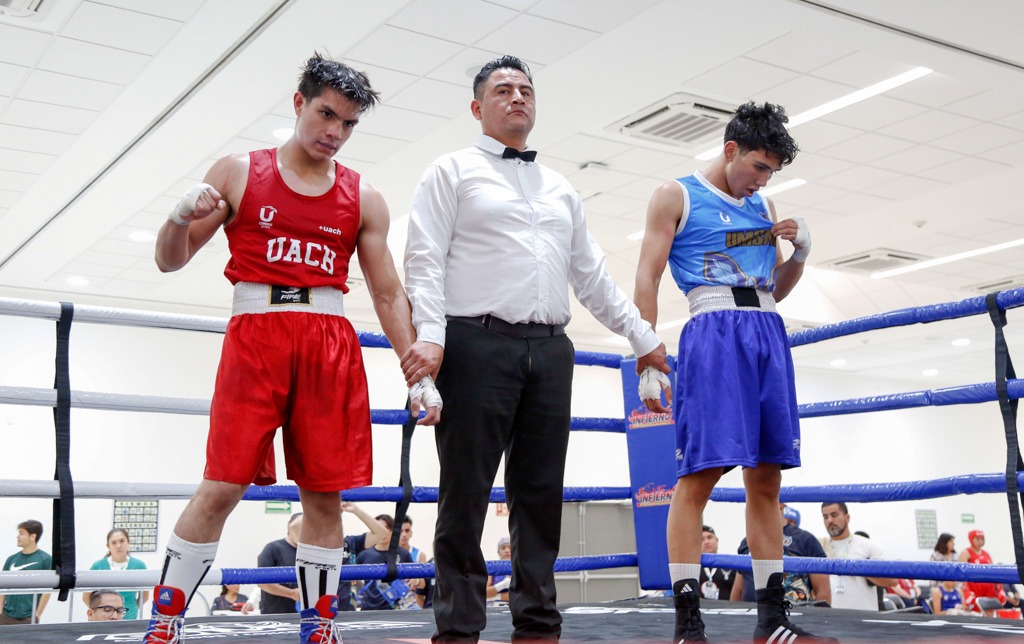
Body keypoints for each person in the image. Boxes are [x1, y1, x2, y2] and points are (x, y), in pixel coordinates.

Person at [143, 53, 440, 644]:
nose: (335, 132)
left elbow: (386, 293)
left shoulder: (364, 197)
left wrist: (416, 374)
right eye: (328, 114)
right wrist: (178, 218)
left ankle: (318, 628)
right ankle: (165, 622)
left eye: (349, 123)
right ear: (299, 103)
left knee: (324, 495)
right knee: (222, 484)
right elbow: (168, 260)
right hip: (256, 333)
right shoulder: (238, 171)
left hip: (329, 341)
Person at [401, 55, 668, 643]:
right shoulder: (450, 171)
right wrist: (432, 336)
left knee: (541, 490)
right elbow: (423, 260)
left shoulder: (559, 187)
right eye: (503, 90)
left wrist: (643, 339)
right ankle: (460, 625)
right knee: (465, 492)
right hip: (475, 342)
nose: (517, 97)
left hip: (550, 349)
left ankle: (539, 618)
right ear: (478, 107)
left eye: (526, 89)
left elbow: (592, 275)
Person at [633, 101, 831, 643]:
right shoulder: (676, 194)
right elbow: (647, 277)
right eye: (758, 167)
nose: (763, 180)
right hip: (713, 334)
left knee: (767, 478)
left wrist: (800, 256)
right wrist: (647, 357)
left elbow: (769, 289)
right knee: (698, 476)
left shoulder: (763, 205)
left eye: (771, 171)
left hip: (767, 333)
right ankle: (687, 623)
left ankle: (771, 620)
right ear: (730, 150)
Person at [730, 505, 831, 607]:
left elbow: (823, 592)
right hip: (750, 615)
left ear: (781, 505)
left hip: (794, 615)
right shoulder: (747, 541)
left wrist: (819, 620)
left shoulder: (805, 539)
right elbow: (738, 590)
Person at [819, 502, 897, 611]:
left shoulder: (867, 545)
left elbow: (892, 581)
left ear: (847, 517)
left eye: (834, 515)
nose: (830, 520)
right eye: (825, 517)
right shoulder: (818, 545)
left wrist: (860, 568)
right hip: (829, 619)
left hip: (864, 619)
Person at [354, 515, 419, 610]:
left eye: (386, 528)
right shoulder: (364, 555)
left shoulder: (403, 553)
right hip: (368, 610)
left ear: (393, 531)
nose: (381, 531)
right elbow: (352, 581)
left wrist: (416, 581)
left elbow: (418, 578)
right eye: (377, 528)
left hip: (395, 610)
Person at [84, 529, 149, 620]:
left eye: (122, 541)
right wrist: (98, 612)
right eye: (114, 543)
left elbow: (145, 595)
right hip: (104, 619)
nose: (118, 546)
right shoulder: (98, 566)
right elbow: (86, 596)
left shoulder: (139, 565)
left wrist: (133, 608)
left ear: (128, 542)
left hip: (129, 617)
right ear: (108, 546)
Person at [338, 502, 391, 611]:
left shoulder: (349, 543)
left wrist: (356, 510)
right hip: (322, 610)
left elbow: (381, 532)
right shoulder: (315, 543)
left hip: (347, 611)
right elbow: (294, 526)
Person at [0, 519, 52, 625]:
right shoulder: (11, 559)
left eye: (21, 533)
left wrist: (37, 615)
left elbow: (47, 591)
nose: (18, 536)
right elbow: (3, 587)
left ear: (33, 536)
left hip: (29, 617)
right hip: (6, 616)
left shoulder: (46, 559)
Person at [254, 513, 302, 615]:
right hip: (275, 613)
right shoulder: (273, 549)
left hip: (302, 614)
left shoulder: (307, 553)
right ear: (290, 527)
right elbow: (262, 582)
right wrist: (291, 593)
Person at [957, 529, 1000, 612]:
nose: (980, 541)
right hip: (973, 585)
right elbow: (961, 572)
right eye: (977, 539)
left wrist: (997, 586)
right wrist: (965, 588)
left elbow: (993, 570)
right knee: (975, 608)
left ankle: (990, 623)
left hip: (988, 585)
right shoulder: (966, 553)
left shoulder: (986, 553)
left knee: (990, 607)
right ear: (971, 539)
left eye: (982, 539)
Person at [695, 526, 733, 601]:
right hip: (700, 610)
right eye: (702, 540)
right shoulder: (694, 567)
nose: (706, 542)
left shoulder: (730, 565)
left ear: (716, 540)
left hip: (726, 610)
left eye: (709, 537)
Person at [486, 536, 513, 606]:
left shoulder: (521, 569)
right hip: (494, 609)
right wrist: (502, 585)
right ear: (498, 552)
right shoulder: (492, 569)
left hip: (516, 609)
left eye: (510, 547)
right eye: (503, 548)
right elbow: (483, 592)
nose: (507, 550)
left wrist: (496, 596)